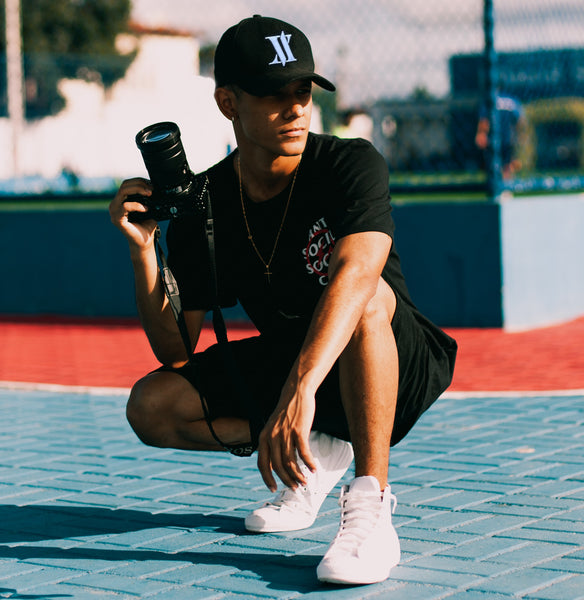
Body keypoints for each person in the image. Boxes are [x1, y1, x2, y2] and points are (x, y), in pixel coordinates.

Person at [109, 15, 457, 586]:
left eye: (302, 92)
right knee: (151, 404)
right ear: (228, 102)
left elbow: (359, 271)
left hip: (393, 359)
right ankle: (312, 453)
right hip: (299, 362)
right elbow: (174, 347)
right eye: (274, 95)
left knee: (366, 300)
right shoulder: (208, 201)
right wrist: (144, 252)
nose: (295, 108)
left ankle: (372, 506)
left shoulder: (350, 164)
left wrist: (300, 390)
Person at [475, 93, 525, 179]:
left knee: (494, 164)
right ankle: (506, 184)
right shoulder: (511, 101)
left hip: (493, 139)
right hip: (508, 138)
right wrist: (520, 136)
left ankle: (499, 184)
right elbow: (520, 121)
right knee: (507, 165)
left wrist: (481, 133)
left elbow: (484, 120)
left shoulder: (489, 100)